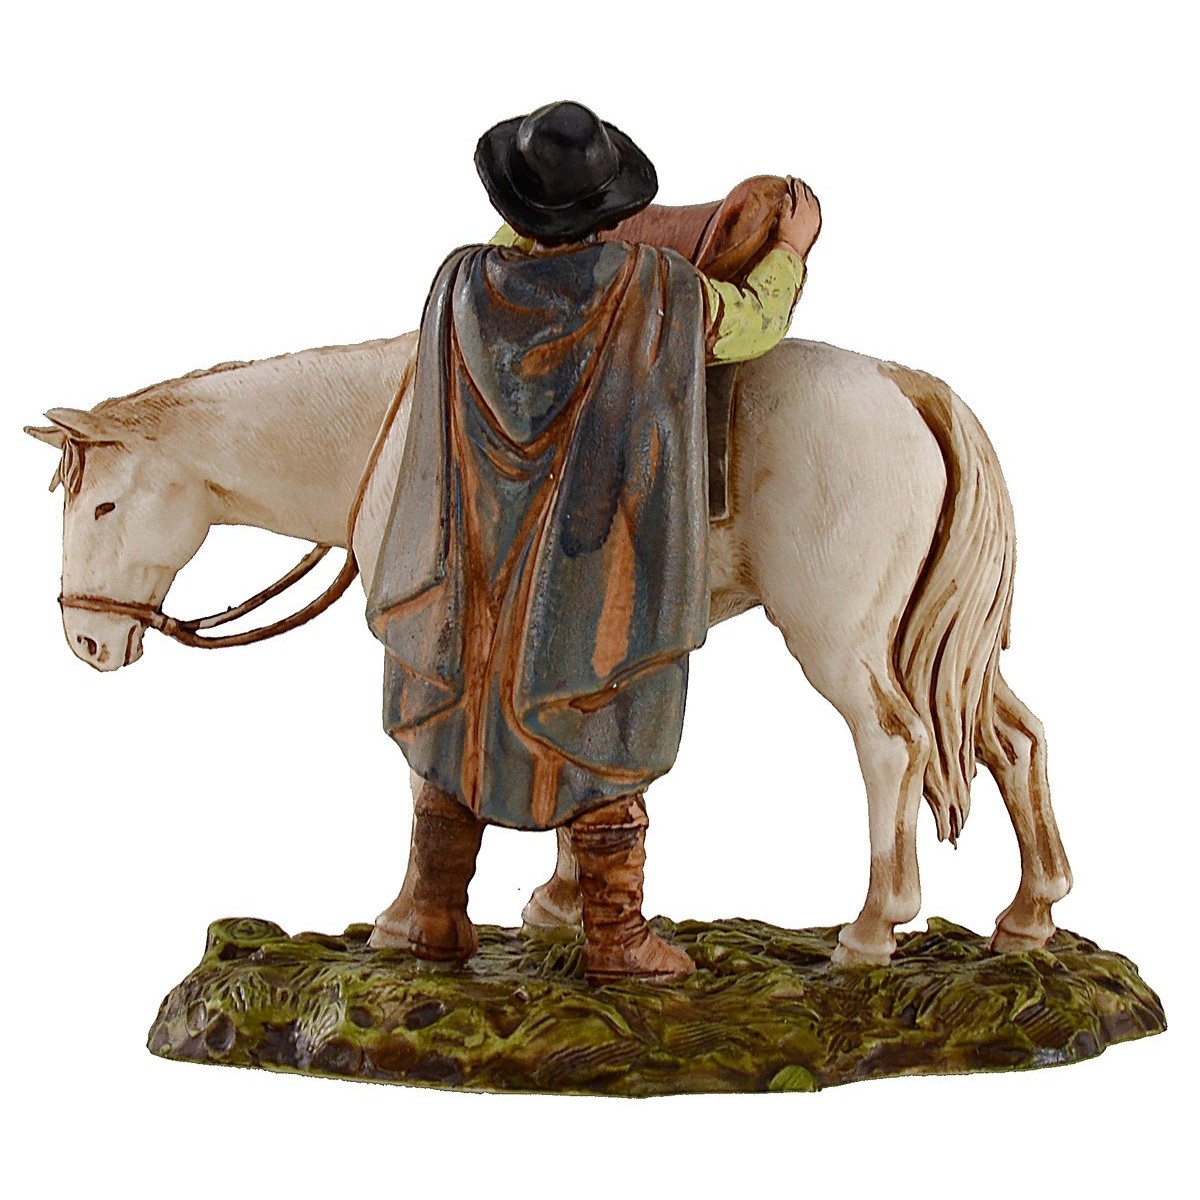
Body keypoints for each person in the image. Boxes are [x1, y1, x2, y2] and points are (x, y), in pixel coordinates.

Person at [366, 101, 821, 982]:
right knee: (600, 714)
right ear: (609, 212)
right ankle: (614, 934)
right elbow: (751, 326)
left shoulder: (462, 282)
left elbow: (509, 249)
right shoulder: (654, 289)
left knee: (458, 715)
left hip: (475, 558)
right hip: (588, 560)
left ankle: (435, 911)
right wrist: (788, 254)